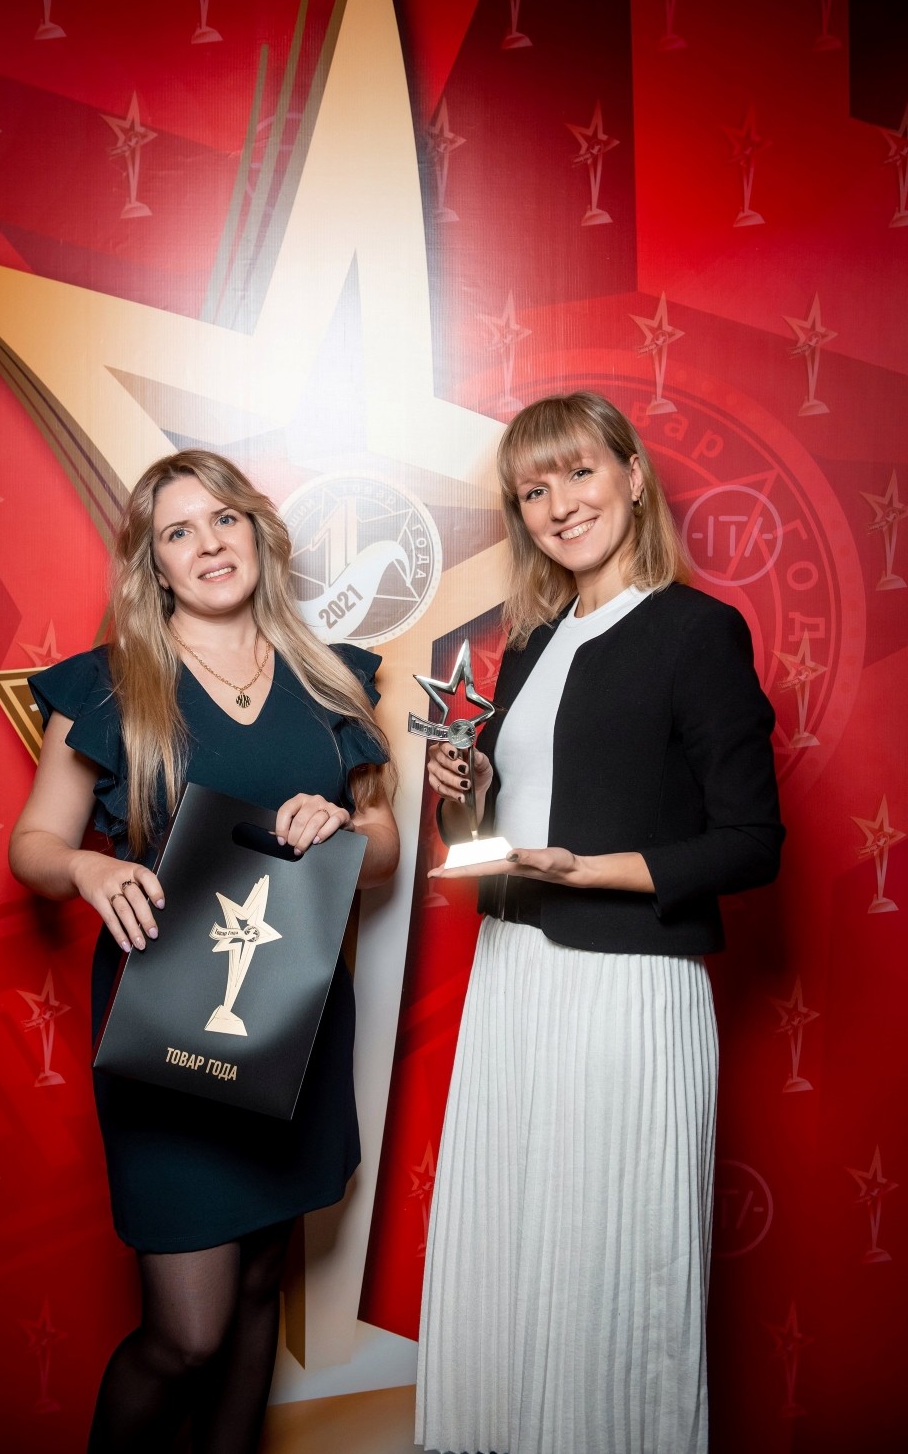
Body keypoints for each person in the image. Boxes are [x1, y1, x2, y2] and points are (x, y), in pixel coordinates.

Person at [415, 392, 783, 1454]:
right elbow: (497, 834)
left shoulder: (696, 631)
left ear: (631, 474)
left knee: (612, 1264)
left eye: (579, 472)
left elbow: (752, 841)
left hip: (625, 983)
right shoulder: (531, 644)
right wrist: (464, 793)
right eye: (534, 490)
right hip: (513, 974)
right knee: (512, 1250)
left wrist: (594, 870)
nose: (560, 504)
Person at [9, 449, 399, 1454]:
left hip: (294, 1023)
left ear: (257, 531)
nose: (209, 544)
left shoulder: (330, 675)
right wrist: (87, 868)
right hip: (164, 1031)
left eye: (224, 519)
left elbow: (385, 849)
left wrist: (343, 829)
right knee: (187, 1334)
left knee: (262, 1284)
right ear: (155, 563)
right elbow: (34, 843)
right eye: (178, 531)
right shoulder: (108, 684)